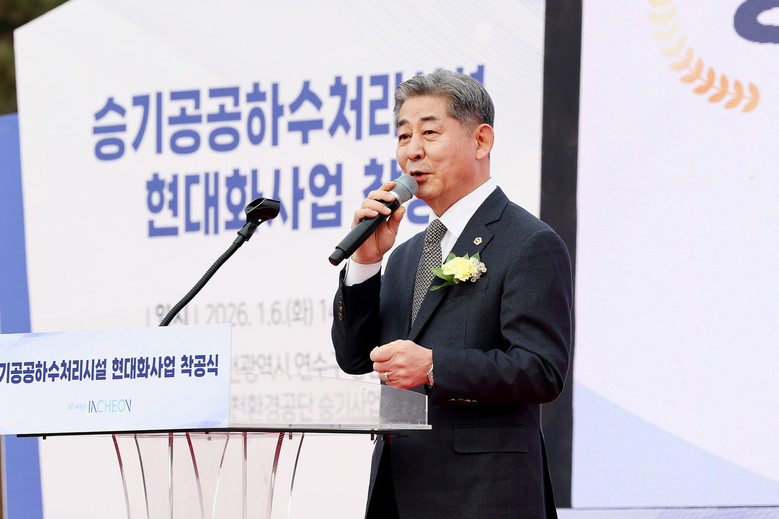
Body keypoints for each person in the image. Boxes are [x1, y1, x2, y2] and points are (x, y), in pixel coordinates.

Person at [331, 70, 572, 519]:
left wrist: (434, 366)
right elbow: (355, 358)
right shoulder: (404, 256)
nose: (412, 151)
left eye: (429, 133)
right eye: (403, 135)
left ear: (481, 141)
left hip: (483, 497)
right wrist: (365, 263)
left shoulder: (528, 242)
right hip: (398, 492)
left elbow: (541, 370)